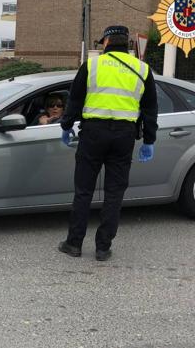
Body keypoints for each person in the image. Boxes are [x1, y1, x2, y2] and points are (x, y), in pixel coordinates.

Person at [58, 25, 158, 261]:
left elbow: (74, 98)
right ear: (128, 44)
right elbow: (151, 109)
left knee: (83, 191)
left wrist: (66, 125)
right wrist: (149, 140)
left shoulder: (92, 65)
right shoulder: (142, 69)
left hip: (93, 133)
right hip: (124, 136)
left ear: (106, 42)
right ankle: (103, 248)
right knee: (114, 193)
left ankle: (74, 244)